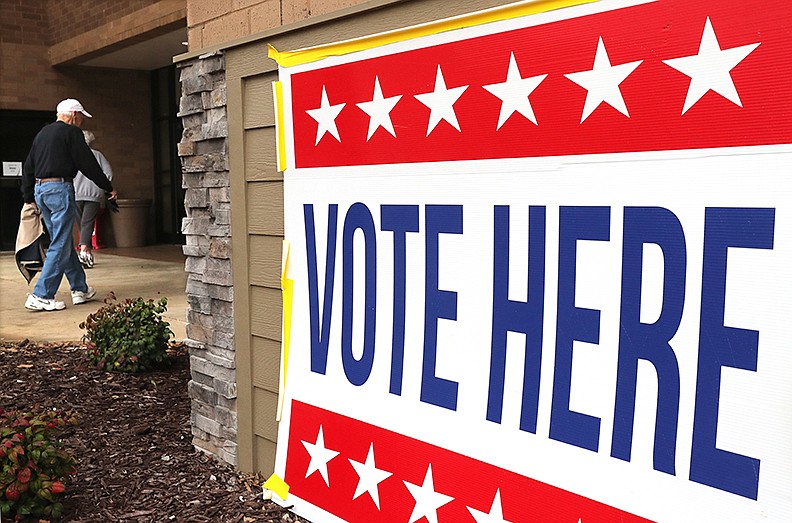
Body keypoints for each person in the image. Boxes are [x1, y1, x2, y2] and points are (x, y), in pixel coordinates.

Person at [20, 98, 118, 311]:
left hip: (40, 191)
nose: (82, 120)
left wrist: (28, 196)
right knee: (60, 242)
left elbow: (28, 166)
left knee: (62, 240)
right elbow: (88, 163)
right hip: (59, 189)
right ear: (74, 115)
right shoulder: (72, 133)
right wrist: (107, 186)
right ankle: (41, 294)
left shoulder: (42, 133)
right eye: (82, 116)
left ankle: (79, 288)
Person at [74, 130, 113, 268]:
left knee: (82, 224)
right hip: (94, 194)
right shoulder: (98, 155)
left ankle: (84, 250)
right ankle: (86, 250)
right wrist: (103, 187)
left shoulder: (73, 155)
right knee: (87, 223)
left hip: (75, 194)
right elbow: (108, 173)